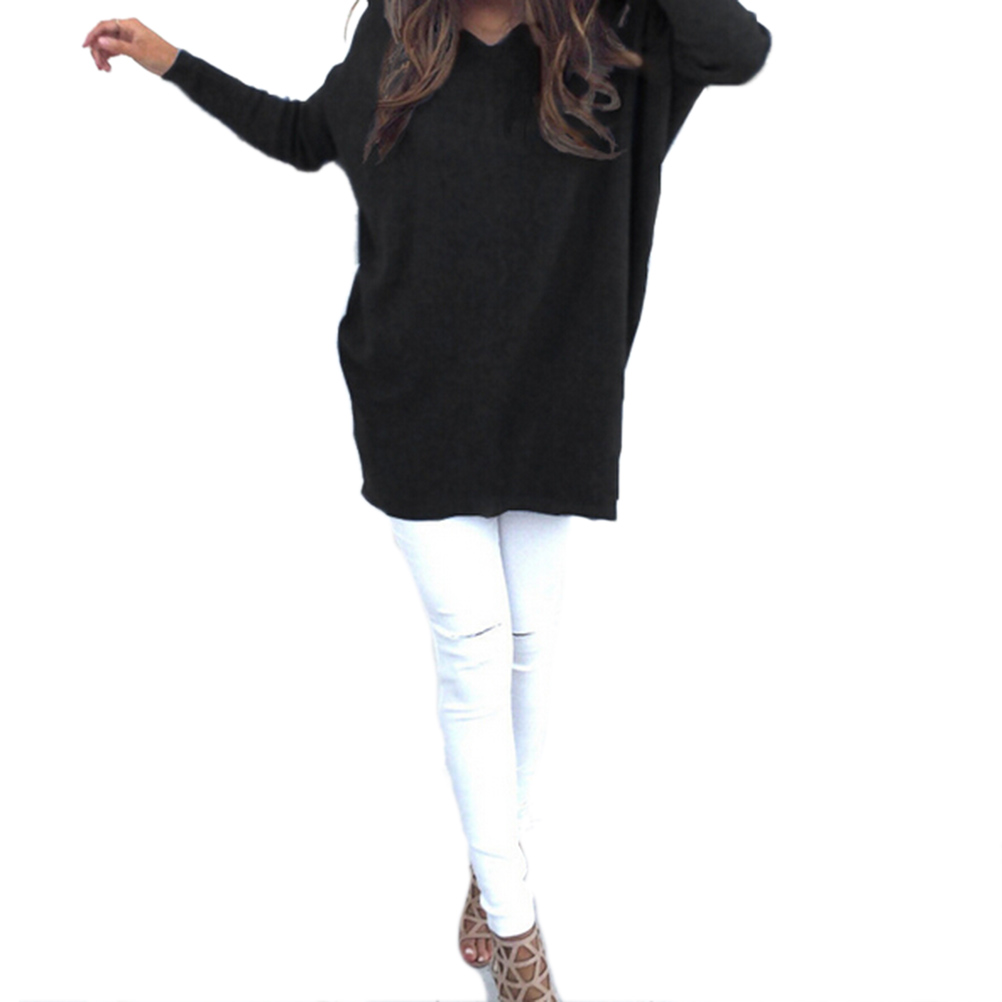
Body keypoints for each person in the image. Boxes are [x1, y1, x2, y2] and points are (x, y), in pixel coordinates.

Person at [82, 0, 771, 996]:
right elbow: (303, 134)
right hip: (416, 395)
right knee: (475, 647)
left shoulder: (607, 34)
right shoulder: (399, 31)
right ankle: (518, 932)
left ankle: (495, 869)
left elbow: (738, 48)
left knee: (532, 643)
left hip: (554, 396)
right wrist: (168, 59)